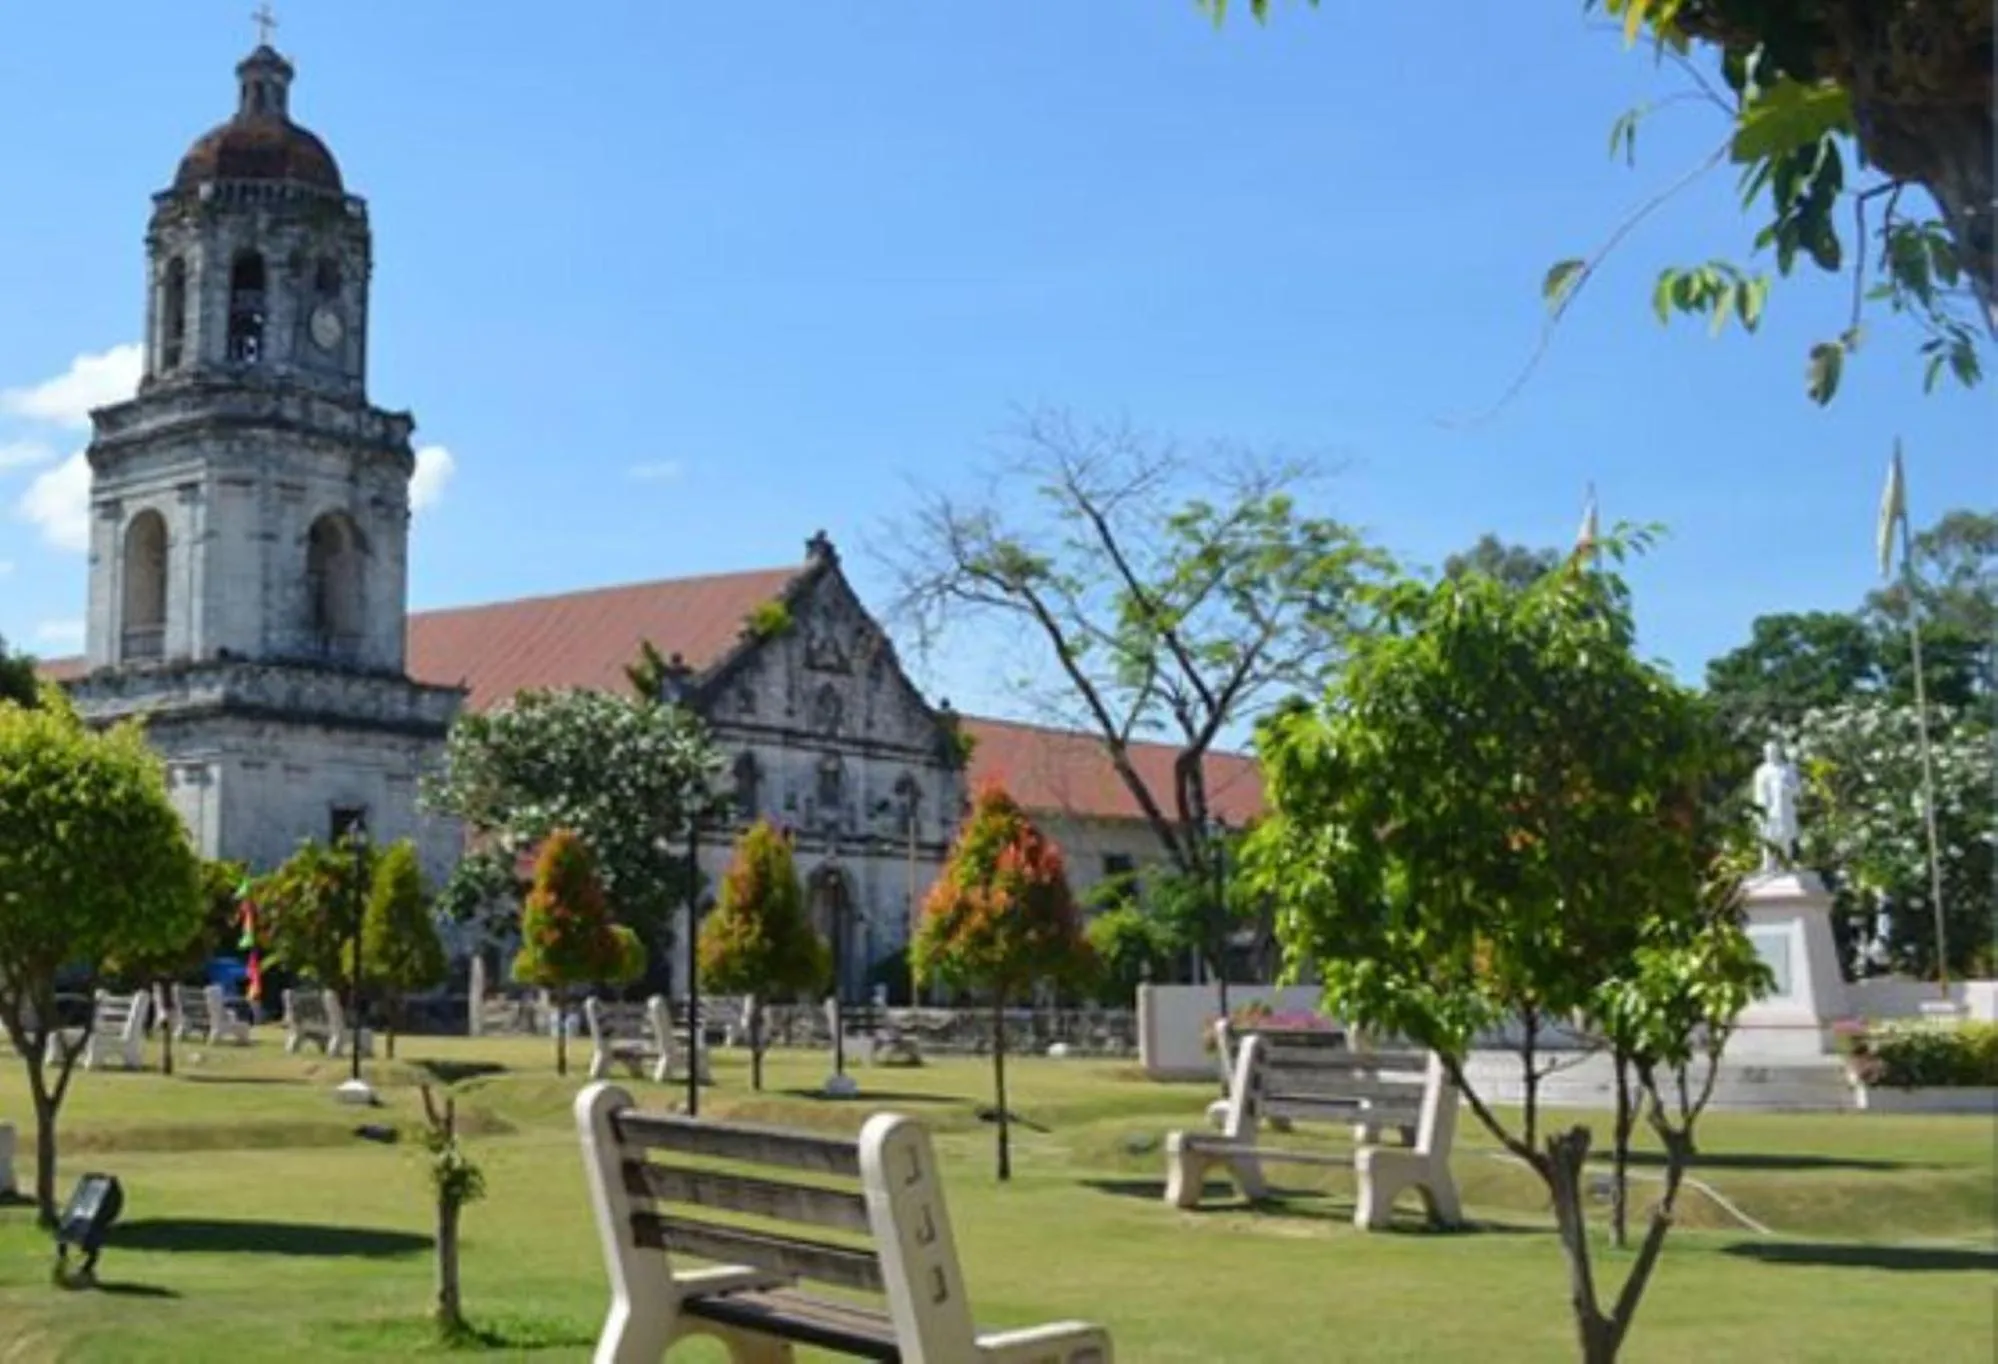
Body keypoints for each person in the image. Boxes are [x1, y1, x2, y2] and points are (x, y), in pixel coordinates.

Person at [1751, 739, 1802, 871]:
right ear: (1764, 754)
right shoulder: (1761, 771)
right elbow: (1757, 794)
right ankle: (1768, 865)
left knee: (1785, 838)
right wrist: (1759, 811)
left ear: (1778, 752)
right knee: (1768, 837)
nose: (1771, 754)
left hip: (1785, 809)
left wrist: (1787, 789)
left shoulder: (1787, 769)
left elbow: (1797, 789)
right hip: (1768, 811)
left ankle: (1786, 863)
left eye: (1774, 751)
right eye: (1768, 752)